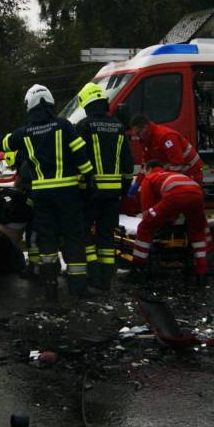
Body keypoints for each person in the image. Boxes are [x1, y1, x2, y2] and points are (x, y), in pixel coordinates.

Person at [0, 84, 96, 306]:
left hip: (42, 195)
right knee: (73, 237)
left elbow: (3, 142)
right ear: (50, 103)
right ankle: (78, 288)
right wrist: (89, 177)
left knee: (47, 240)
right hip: (68, 193)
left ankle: (50, 291)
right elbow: (80, 154)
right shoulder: (64, 126)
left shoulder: (25, 132)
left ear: (31, 106)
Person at [75, 82, 133, 291]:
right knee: (106, 235)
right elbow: (128, 163)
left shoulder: (83, 126)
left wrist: (79, 186)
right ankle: (107, 279)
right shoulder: (118, 127)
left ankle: (93, 274)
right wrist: (124, 187)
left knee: (85, 231)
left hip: (90, 192)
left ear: (87, 104)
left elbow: (77, 159)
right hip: (112, 194)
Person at [130, 160, 211, 285]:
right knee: (197, 230)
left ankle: (137, 268)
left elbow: (147, 210)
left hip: (175, 195)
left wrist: (156, 222)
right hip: (197, 193)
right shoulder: (169, 175)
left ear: (148, 169)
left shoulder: (150, 178)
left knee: (145, 227)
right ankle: (202, 272)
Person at [129, 114, 203, 189]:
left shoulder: (165, 137)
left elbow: (177, 163)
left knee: (185, 197)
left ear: (145, 127)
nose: (138, 137)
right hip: (179, 171)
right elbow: (146, 165)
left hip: (190, 171)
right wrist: (138, 182)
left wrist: (163, 179)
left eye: (138, 133)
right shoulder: (147, 141)